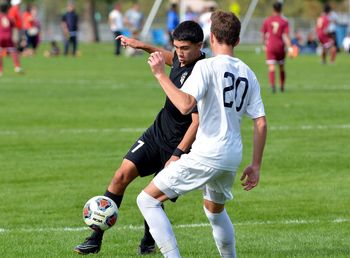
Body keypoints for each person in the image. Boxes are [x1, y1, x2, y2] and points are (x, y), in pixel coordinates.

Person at [137, 10, 267, 258]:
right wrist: (256, 165)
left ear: (212, 38)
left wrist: (160, 75)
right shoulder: (248, 73)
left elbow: (185, 105)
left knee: (147, 200)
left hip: (207, 152)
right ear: (237, 41)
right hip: (231, 157)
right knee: (214, 211)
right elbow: (260, 123)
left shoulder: (206, 66)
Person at [74, 20, 205, 255]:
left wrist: (177, 154)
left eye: (184, 48)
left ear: (200, 45)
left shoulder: (204, 72)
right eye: (176, 47)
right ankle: (95, 238)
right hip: (157, 134)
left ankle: (149, 240)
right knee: (120, 175)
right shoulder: (180, 57)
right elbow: (170, 58)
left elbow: (196, 122)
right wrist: (140, 45)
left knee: (153, 195)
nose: (179, 53)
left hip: (181, 145)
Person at [261, 2, 292, 93]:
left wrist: (264, 44)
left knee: (271, 67)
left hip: (270, 46)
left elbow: (263, 34)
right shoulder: (284, 21)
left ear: (273, 9)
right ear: (281, 9)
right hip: (280, 46)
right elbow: (286, 36)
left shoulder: (267, 20)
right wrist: (290, 48)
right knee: (281, 67)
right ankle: (282, 86)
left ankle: (273, 87)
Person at [0, 3, 22, 76]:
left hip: (0, 37)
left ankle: (0, 70)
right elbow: (14, 27)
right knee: (13, 51)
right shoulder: (9, 17)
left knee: (0, 53)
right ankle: (17, 67)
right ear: (7, 9)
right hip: (8, 36)